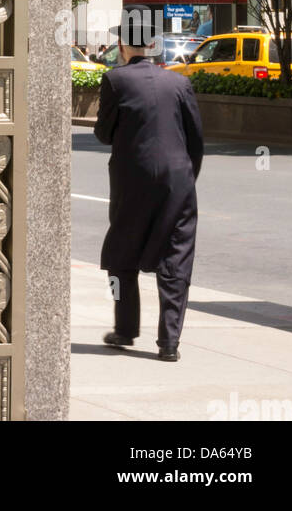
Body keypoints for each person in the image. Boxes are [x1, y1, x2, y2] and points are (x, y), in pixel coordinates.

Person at [93, 34, 204, 361]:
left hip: (132, 180)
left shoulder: (115, 80)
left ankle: (124, 329)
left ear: (124, 48)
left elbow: (102, 133)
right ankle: (169, 343)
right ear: (154, 48)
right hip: (178, 180)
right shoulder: (179, 83)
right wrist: (185, 178)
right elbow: (196, 139)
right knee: (176, 258)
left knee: (119, 257)